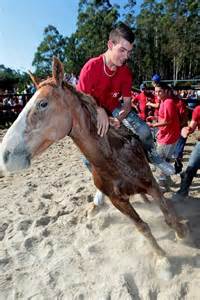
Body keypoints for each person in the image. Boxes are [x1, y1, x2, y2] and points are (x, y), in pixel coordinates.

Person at [76, 23, 174, 205]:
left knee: (144, 130)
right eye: (122, 50)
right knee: (87, 158)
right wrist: (98, 111)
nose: (126, 56)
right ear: (110, 45)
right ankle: (102, 186)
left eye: (129, 52)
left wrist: (119, 118)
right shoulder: (91, 67)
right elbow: (80, 101)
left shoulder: (125, 73)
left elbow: (127, 104)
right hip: (90, 112)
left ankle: (154, 156)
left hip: (114, 109)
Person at [147, 82, 181, 186]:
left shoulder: (168, 102)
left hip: (168, 137)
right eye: (156, 91)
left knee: (159, 161)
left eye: (159, 91)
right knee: (164, 159)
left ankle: (161, 184)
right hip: (166, 135)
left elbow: (169, 121)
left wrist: (154, 125)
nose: (157, 93)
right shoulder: (163, 101)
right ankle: (167, 180)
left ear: (166, 91)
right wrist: (155, 118)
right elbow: (165, 117)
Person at [175, 105, 200, 200]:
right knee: (191, 168)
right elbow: (192, 127)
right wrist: (187, 130)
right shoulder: (198, 109)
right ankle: (182, 193)